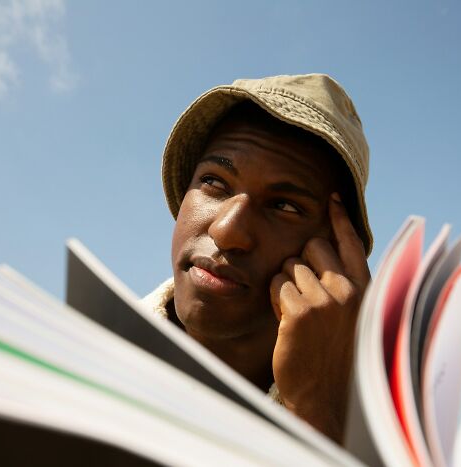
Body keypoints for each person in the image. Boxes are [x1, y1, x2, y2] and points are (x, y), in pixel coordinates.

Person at [142, 73, 374, 444]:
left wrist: (319, 412)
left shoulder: (383, 430)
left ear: (334, 255)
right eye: (214, 183)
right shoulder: (72, 347)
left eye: (284, 205)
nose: (228, 230)